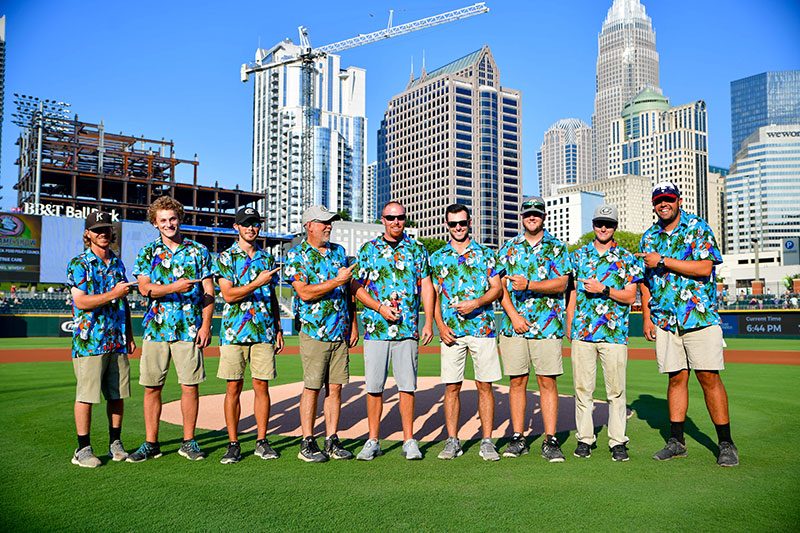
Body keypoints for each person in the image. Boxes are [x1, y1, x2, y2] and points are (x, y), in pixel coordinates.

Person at [639, 181, 739, 467]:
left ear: (678, 201)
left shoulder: (697, 227)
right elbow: (645, 281)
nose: (664, 204)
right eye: (659, 200)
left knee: (709, 377)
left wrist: (664, 261)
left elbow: (705, 267)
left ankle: (726, 443)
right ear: (654, 204)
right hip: (666, 320)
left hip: (698, 316)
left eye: (668, 199)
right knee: (675, 377)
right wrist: (647, 315)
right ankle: (676, 441)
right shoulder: (648, 238)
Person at [127, 196, 214, 462]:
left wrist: (206, 325)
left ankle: (189, 441)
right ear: (155, 223)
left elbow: (209, 292)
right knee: (152, 387)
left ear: (180, 218)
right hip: (156, 328)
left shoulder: (199, 251)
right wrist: (174, 288)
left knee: (190, 386)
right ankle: (151, 443)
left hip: (189, 328)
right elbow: (144, 289)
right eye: (163, 220)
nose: (169, 224)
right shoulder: (147, 252)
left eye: (172, 218)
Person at [353, 201, 435, 461]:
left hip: (407, 328)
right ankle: (373, 440)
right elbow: (356, 286)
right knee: (374, 387)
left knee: (407, 386)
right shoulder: (369, 250)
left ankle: (409, 440)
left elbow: (426, 286)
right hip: (377, 329)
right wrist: (379, 308)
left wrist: (429, 321)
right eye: (390, 217)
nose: (396, 222)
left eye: (400, 217)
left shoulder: (417, 249)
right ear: (382, 219)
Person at [497, 196, 571, 462]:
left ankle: (550, 440)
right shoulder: (509, 247)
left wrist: (530, 285)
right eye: (528, 213)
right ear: (522, 216)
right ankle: (518, 437)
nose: (532, 216)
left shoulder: (558, 248)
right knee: (517, 382)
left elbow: (562, 283)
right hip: (513, 325)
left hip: (548, 325)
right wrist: (515, 316)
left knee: (547, 381)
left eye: (537, 213)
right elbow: (500, 288)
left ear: (544, 216)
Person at [566, 204, 642, 462]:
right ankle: (585, 439)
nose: (603, 228)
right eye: (599, 223)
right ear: (593, 225)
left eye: (608, 224)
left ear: (615, 227)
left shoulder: (627, 258)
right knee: (582, 389)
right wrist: (569, 322)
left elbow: (631, 296)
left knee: (616, 392)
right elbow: (572, 292)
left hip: (614, 334)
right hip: (583, 332)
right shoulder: (578, 256)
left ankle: (618, 441)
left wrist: (605, 290)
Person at [284, 205, 358, 463]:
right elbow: (303, 292)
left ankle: (332, 439)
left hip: (340, 330)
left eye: (330, 222)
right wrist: (336, 282)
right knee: (312, 387)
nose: (329, 226)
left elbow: (348, 292)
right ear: (309, 225)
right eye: (324, 222)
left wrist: (354, 324)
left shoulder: (339, 252)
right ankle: (307, 441)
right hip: (315, 331)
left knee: (336, 388)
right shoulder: (296, 255)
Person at [429, 204, 503, 461]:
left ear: (469, 222)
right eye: (453, 224)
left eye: (462, 223)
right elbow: (433, 298)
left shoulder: (486, 254)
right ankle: (452, 441)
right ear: (446, 225)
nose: (458, 227)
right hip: (452, 332)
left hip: (482, 328)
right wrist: (440, 325)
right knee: (452, 388)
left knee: (485, 386)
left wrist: (477, 303)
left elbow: (497, 289)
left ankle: (487, 441)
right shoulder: (437, 257)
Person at [214, 206, 284, 464]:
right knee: (233, 387)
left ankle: (261, 441)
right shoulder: (225, 257)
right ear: (237, 227)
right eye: (246, 223)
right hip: (234, 332)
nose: (252, 228)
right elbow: (228, 295)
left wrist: (277, 327)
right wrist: (257, 282)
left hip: (263, 331)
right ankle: (233, 443)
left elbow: (272, 298)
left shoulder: (266, 259)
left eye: (255, 223)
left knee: (261, 387)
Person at [66, 211, 136, 467]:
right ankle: (82, 448)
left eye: (106, 229)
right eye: (97, 230)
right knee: (86, 395)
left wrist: (128, 332)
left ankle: (115, 442)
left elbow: (124, 299)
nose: (103, 233)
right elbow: (81, 301)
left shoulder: (117, 263)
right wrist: (113, 293)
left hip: (116, 337)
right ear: (88, 234)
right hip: (90, 339)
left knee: (117, 394)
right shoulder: (79, 263)